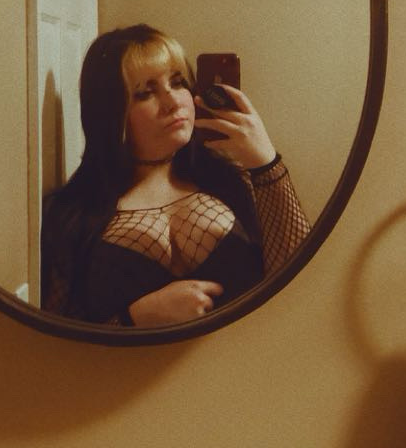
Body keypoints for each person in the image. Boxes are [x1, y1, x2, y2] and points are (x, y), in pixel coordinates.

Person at [40, 24, 310, 327]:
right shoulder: (70, 217)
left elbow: (305, 289)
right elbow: (56, 344)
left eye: (178, 82)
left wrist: (265, 161)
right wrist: (134, 319)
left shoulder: (236, 182)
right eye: (145, 93)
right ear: (110, 113)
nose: (173, 102)